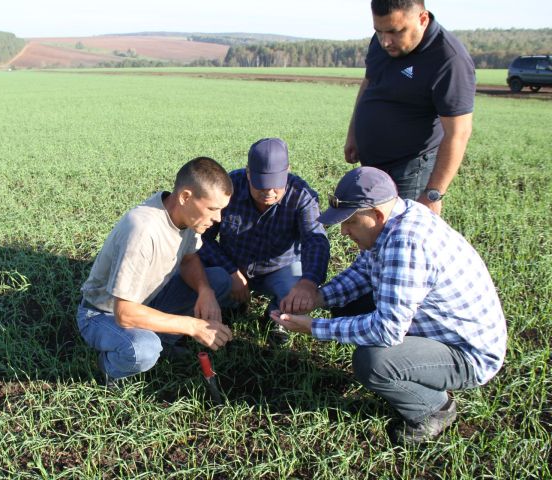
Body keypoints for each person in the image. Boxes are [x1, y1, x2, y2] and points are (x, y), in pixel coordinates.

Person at [272, 167, 507, 443]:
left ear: (376, 215)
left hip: (468, 355)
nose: (344, 232)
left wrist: (315, 328)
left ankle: (434, 408)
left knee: (373, 361)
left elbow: (387, 331)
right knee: (349, 306)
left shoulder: (405, 242)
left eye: (349, 222)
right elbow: (362, 274)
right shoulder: (398, 218)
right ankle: (417, 374)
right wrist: (317, 298)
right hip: (439, 330)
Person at [77, 157, 235, 387]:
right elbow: (125, 313)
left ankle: (165, 341)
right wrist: (192, 326)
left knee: (218, 279)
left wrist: (205, 291)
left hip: (147, 299)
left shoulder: (186, 217)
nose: (218, 218)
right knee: (143, 348)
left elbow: (190, 259)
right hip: (103, 314)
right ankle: (110, 367)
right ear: (185, 197)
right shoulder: (143, 231)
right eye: (212, 209)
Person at [344, 0, 475, 215]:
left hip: (409, 172)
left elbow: (458, 133)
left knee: (402, 237)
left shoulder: (449, 60)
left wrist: (433, 194)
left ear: (422, 19)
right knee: (371, 234)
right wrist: (353, 133)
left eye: (395, 32)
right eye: (379, 31)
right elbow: (369, 84)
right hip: (372, 164)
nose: (385, 42)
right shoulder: (381, 42)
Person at [198, 138, 330, 340]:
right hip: (232, 265)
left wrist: (308, 283)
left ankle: (275, 318)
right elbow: (201, 237)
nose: (268, 192)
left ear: (287, 171)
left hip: (278, 269)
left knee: (296, 294)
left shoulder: (302, 196)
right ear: (248, 173)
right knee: (208, 280)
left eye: (275, 185)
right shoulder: (229, 188)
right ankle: (233, 304)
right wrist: (232, 272)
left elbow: (316, 241)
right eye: (261, 185)